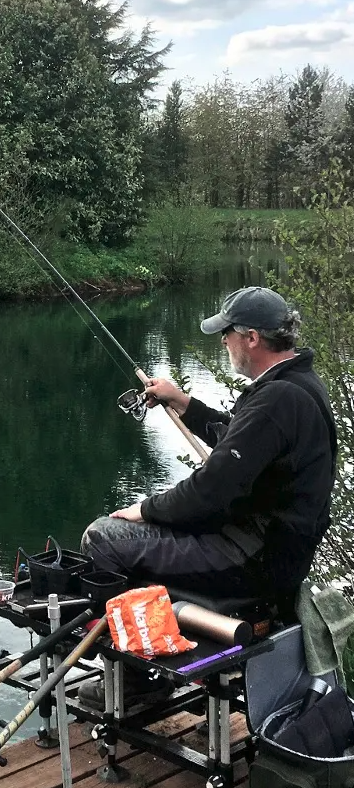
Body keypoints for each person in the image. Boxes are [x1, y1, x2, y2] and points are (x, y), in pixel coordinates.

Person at [77, 286, 337, 710]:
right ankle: (169, 639)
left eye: (227, 333)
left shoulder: (277, 399)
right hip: (273, 553)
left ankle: (140, 681)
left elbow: (209, 492)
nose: (223, 341)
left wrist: (144, 510)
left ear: (251, 337)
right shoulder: (298, 384)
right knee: (142, 534)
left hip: (250, 558)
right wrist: (182, 402)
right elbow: (238, 440)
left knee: (104, 538)